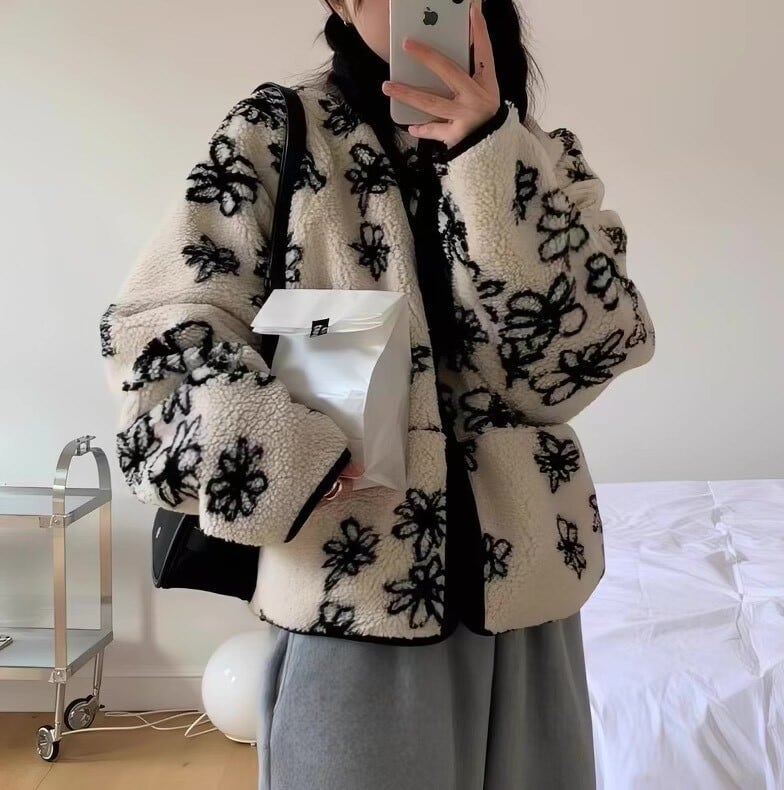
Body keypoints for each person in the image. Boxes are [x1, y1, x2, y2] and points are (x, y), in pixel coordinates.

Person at [100, 0, 656, 787]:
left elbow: (586, 354)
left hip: (529, 604)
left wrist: (488, 153)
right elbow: (159, 330)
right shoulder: (277, 131)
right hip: (347, 590)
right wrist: (283, 453)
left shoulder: (541, 156)